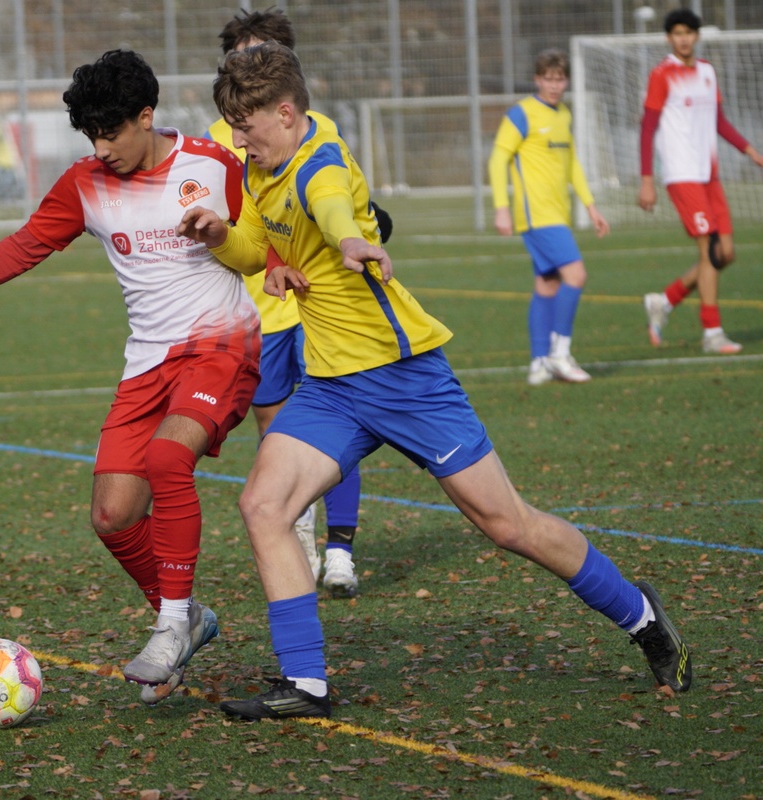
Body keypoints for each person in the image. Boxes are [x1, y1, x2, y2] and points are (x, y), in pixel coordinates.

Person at [178, 40, 692, 721]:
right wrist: (222, 235)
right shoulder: (261, 168)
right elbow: (252, 247)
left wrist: (350, 240)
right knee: (263, 506)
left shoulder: (320, 163)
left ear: (286, 112)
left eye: (246, 127)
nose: (239, 140)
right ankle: (305, 683)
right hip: (332, 386)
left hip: (403, 379)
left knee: (506, 524)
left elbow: (332, 207)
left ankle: (642, 617)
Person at [0, 49, 261, 707]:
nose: (101, 148)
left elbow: (265, 238)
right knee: (113, 515)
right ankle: (187, 617)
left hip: (221, 347)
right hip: (146, 363)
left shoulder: (213, 166)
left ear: (145, 116)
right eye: (91, 135)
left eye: (111, 132)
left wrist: (287, 264)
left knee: (168, 458)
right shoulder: (86, 183)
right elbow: (24, 246)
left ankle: (169, 627)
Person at [204, 8, 386, 597]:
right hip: (262, 309)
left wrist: (353, 234)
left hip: (321, 307)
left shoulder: (318, 131)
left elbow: (332, 196)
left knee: (341, 424)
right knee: (280, 432)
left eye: (262, 53)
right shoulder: (222, 137)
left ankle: (341, 551)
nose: (249, 63)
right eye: (240, 55)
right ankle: (298, 541)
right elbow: (243, 229)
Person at [639, 8, 763, 355]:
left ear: (697, 36)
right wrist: (647, 179)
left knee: (725, 253)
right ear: (669, 38)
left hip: (709, 174)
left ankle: (665, 300)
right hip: (682, 174)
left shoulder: (708, 71)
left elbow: (718, 121)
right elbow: (648, 127)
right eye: (677, 33)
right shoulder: (662, 74)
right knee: (709, 251)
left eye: (689, 33)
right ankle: (712, 332)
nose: (683, 39)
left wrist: (751, 152)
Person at [488, 49, 610, 386]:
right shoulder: (521, 113)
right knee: (577, 275)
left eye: (560, 79)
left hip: (558, 213)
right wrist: (501, 207)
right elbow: (498, 160)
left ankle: (539, 362)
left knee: (547, 284)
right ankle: (560, 354)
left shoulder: (564, 114)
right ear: (537, 79)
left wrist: (591, 206)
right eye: (548, 79)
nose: (555, 85)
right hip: (536, 214)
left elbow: (572, 165)